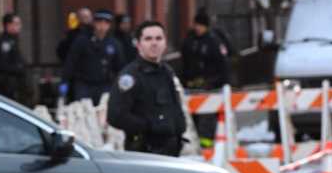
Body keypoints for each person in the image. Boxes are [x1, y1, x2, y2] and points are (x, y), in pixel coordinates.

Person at [108, 20, 188, 156]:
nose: (154, 43)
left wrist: (179, 125)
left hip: (171, 151)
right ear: (138, 44)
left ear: (165, 42)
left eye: (159, 38)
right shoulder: (130, 76)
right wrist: (150, 126)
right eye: (148, 39)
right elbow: (116, 116)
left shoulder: (167, 71)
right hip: (144, 152)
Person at [181, 9, 231, 147]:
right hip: (192, 86)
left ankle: (207, 144)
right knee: (193, 116)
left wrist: (220, 82)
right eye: (196, 24)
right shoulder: (190, 40)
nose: (197, 28)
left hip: (210, 85)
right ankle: (195, 142)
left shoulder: (214, 41)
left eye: (200, 25)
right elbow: (185, 62)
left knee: (208, 115)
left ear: (206, 26)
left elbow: (223, 64)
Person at [60, 9, 128, 103]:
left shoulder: (114, 44)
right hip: (84, 85)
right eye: (99, 22)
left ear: (109, 25)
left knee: (104, 112)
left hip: (105, 84)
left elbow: (120, 66)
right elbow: (71, 62)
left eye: (106, 23)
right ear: (94, 23)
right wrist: (64, 81)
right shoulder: (82, 41)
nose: (102, 26)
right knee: (84, 112)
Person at [0, 13, 27, 103]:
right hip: (8, 87)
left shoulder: (13, 40)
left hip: (16, 86)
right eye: (16, 24)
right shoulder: (3, 42)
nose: (19, 26)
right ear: (8, 25)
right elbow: (2, 65)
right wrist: (19, 68)